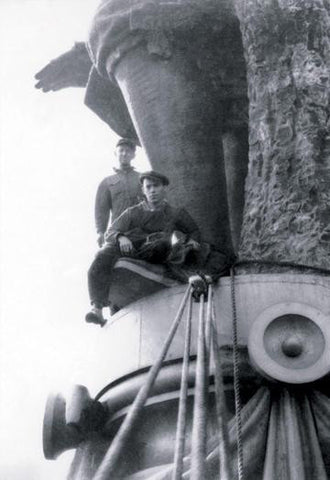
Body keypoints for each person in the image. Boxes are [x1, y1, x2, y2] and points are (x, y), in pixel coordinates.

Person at [86, 170, 201, 326]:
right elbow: (111, 232)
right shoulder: (133, 212)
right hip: (132, 249)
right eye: (148, 187)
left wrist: (191, 241)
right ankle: (97, 309)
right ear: (143, 190)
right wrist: (121, 237)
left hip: (157, 251)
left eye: (156, 186)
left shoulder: (175, 213)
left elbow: (193, 230)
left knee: (162, 243)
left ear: (164, 188)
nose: (152, 190)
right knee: (102, 255)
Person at [94, 138, 142, 247]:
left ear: (133, 155)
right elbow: (101, 209)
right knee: (102, 259)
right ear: (116, 153)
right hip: (118, 233)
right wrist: (101, 232)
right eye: (121, 150)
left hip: (142, 231)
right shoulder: (107, 182)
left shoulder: (142, 178)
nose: (124, 154)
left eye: (128, 151)